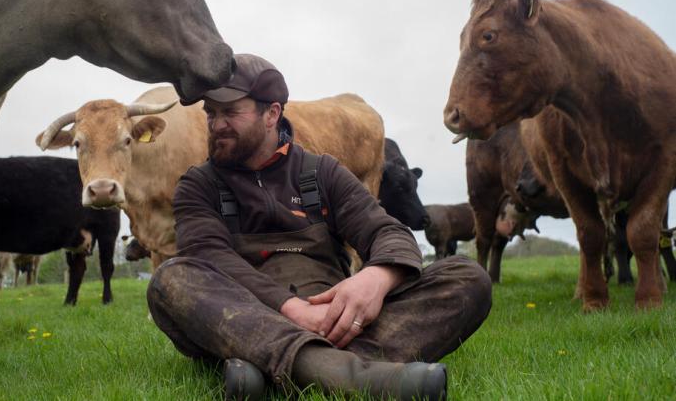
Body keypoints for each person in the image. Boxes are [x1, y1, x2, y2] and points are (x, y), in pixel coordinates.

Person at [146, 54, 492, 400]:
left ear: (272, 114)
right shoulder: (198, 185)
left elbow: (388, 232)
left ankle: (266, 370)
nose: (217, 123)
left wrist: (377, 278)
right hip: (247, 316)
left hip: (337, 319)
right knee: (171, 280)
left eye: (231, 112)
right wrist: (292, 309)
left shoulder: (320, 172)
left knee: (468, 277)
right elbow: (208, 255)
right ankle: (360, 378)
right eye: (212, 113)